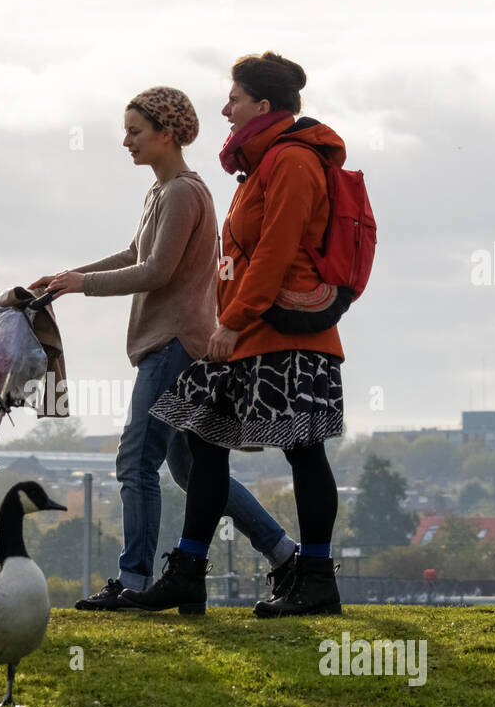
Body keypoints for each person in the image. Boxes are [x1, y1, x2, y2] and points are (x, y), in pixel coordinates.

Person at [33, 85, 299, 614]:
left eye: (135, 131)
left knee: (136, 459)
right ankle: (283, 551)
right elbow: (137, 252)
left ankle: (133, 579)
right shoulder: (162, 191)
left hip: (173, 345)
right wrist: (71, 277)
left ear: (167, 134)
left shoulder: (181, 193)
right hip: (176, 344)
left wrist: (81, 287)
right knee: (190, 469)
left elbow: (156, 270)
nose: (125, 141)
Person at [117, 52, 347, 618]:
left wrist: (231, 321)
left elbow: (276, 252)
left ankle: (314, 577)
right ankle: (189, 573)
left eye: (235, 98)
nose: (225, 108)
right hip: (249, 330)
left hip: (287, 333)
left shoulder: (292, 161)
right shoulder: (259, 165)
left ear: (262, 106)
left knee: (303, 449)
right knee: (205, 441)